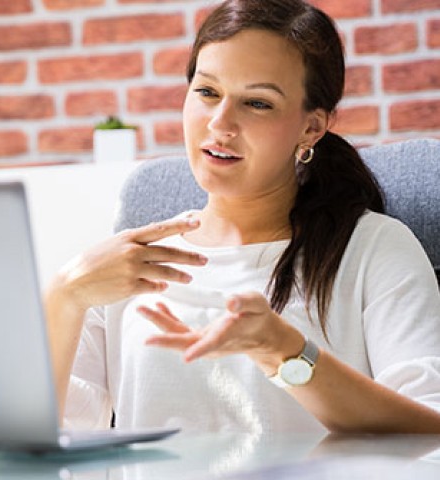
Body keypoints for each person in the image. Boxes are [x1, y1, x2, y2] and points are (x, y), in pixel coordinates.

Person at [44, 0, 440, 434]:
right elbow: (46, 431)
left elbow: (428, 427)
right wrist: (66, 296)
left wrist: (284, 351)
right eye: (207, 91)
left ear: (311, 128)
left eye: (257, 103)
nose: (220, 123)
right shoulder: (127, 265)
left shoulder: (373, 249)